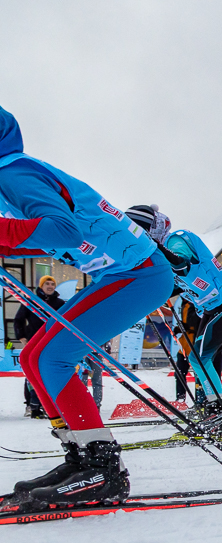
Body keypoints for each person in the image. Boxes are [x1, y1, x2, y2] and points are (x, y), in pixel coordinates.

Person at [0, 105, 175, 511]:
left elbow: (63, 229)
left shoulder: (13, 173)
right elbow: (48, 239)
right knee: (33, 356)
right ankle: (80, 455)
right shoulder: (11, 174)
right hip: (121, 275)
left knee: (54, 357)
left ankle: (102, 468)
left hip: (140, 274)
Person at [126, 205, 222, 430]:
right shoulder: (165, 248)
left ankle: (217, 410)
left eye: (144, 234)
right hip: (216, 307)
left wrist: (156, 248)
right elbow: (175, 285)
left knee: (199, 358)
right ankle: (213, 406)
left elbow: (181, 263)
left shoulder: (176, 239)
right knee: (204, 357)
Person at [14, 274, 65, 418]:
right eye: (47, 284)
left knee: (48, 372)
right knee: (32, 373)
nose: (50, 287)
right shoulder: (32, 301)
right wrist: (22, 337)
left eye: (52, 284)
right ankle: (31, 404)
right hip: (33, 340)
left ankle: (48, 403)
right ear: (41, 287)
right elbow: (18, 320)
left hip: (51, 341)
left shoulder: (60, 303)